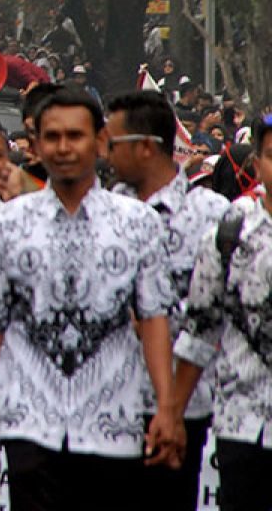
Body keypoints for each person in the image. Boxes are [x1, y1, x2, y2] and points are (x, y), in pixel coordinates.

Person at [0, 89, 181, 511]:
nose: (63, 148)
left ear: (99, 142)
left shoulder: (138, 223)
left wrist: (166, 408)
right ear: (37, 144)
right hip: (29, 419)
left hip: (113, 419)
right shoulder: (7, 224)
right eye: (53, 137)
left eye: (75, 136)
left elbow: (154, 317)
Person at [105, 91, 231, 510]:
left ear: (145, 146)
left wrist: (171, 406)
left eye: (112, 142)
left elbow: (216, 315)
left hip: (183, 404)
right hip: (106, 406)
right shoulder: (104, 210)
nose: (104, 153)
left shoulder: (212, 215)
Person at [172, 114, 272, 510]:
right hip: (241, 424)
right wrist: (172, 415)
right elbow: (199, 329)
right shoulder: (230, 232)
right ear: (258, 163)